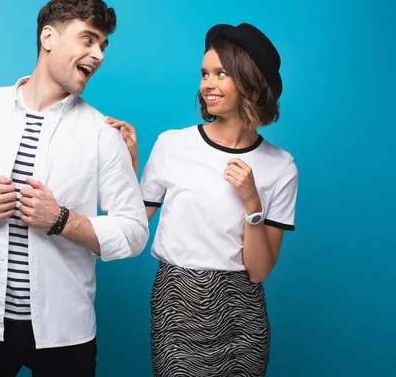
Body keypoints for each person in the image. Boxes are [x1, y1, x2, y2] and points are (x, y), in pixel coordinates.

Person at [0, 0, 149, 377]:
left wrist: (62, 220)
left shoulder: (101, 133)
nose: (99, 55)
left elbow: (134, 231)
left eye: (103, 45)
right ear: (48, 38)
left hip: (65, 333)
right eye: (88, 39)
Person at [107, 23, 299, 376]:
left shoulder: (281, 166)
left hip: (242, 314)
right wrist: (129, 162)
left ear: (250, 82)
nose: (207, 84)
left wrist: (252, 203)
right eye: (204, 73)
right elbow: (130, 221)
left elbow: (259, 270)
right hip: (177, 302)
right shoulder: (172, 145)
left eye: (221, 74)